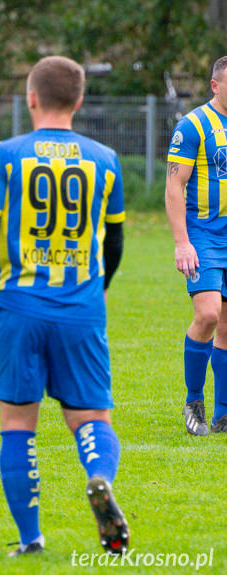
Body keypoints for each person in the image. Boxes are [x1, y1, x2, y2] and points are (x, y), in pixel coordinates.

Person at [0, 56, 129, 556]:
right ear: (80, 100)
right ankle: (97, 477)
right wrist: (101, 286)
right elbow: (114, 241)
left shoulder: (6, 154)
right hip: (81, 308)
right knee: (91, 416)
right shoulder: (105, 158)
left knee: (18, 423)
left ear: (31, 98)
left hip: (17, 306)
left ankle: (30, 539)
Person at [166, 55, 227, 436]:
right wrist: (182, 242)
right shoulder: (193, 125)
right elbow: (174, 185)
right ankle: (194, 401)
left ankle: (223, 415)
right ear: (215, 85)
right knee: (207, 315)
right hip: (203, 234)